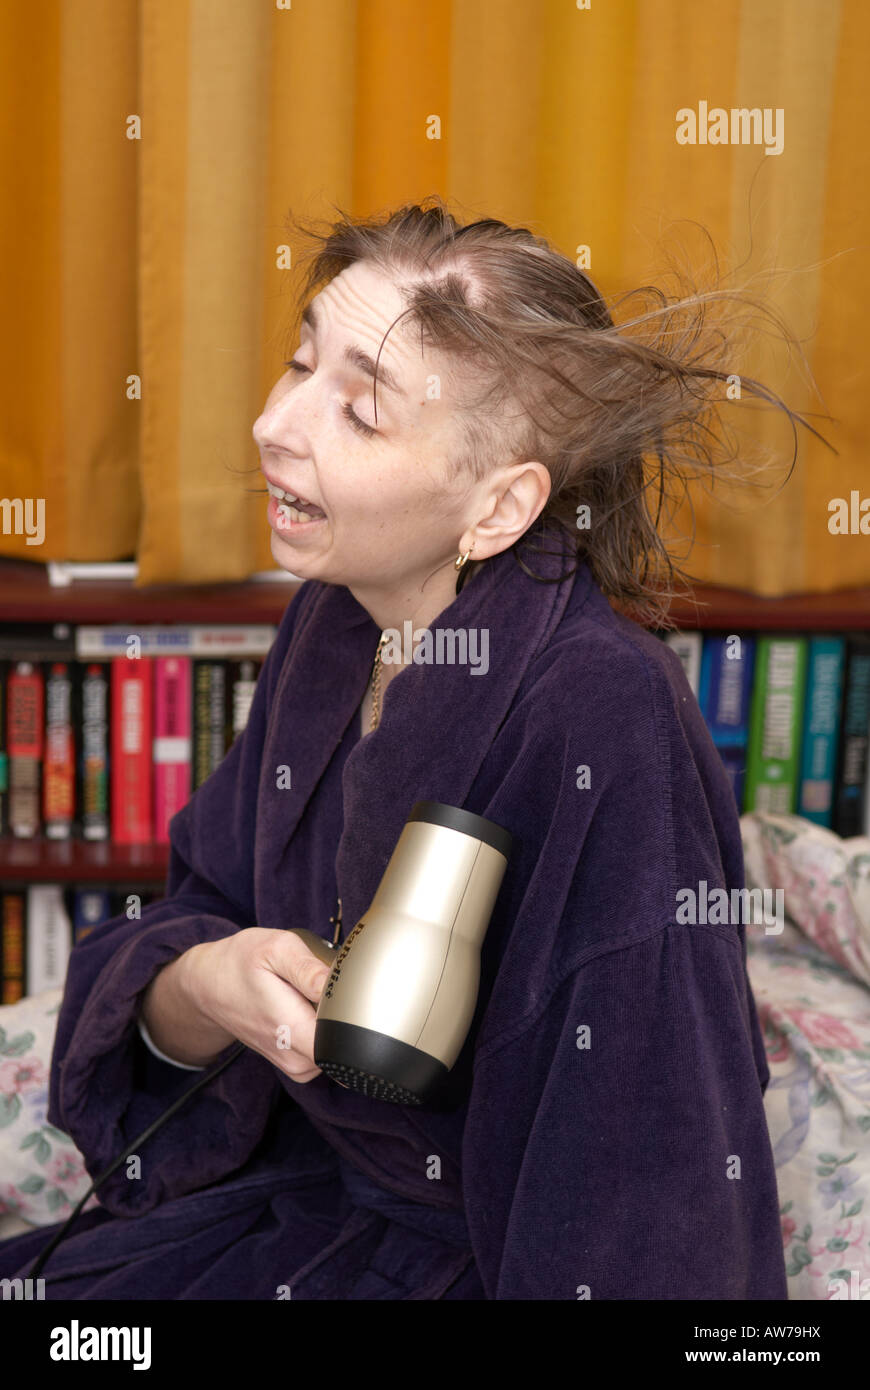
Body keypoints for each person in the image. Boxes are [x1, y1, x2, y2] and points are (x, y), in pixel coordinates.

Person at [0, 197, 814, 1299]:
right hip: (299, 1208)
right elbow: (204, 906)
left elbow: (647, 1192)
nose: (273, 425)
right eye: (298, 363)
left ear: (498, 507)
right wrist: (206, 980)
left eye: (361, 413)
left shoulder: (606, 717)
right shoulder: (335, 623)